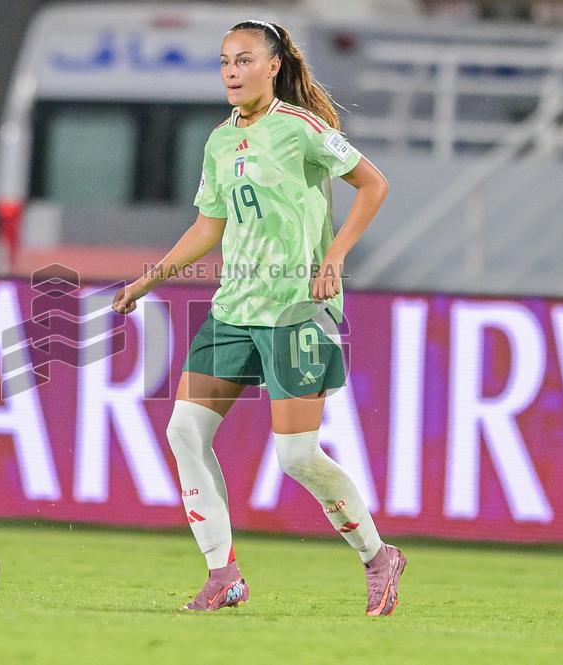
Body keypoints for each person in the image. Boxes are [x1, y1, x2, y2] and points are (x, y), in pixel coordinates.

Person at [112, 19, 405, 616]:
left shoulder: (301, 130)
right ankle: (223, 575)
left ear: (273, 66)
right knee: (183, 432)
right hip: (234, 309)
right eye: (224, 62)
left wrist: (334, 257)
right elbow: (208, 227)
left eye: (244, 60)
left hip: (296, 310)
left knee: (297, 457)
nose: (231, 72)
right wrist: (151, 278)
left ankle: (378, 557)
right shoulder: (220, 141)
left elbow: (373, 185)